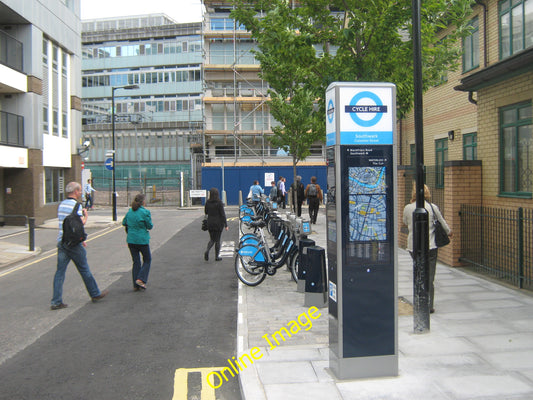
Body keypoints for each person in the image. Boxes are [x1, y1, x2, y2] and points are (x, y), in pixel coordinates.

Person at [51, 181, 108, 310]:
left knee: (60, 272)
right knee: (84, 269)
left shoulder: (61, 205)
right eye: (80, 190)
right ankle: (95, 293)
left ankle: (56, 301)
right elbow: (79, 225)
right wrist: (86, 216)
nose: (81, 192)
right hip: (74, 245)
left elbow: (66, 226)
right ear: (76, 191)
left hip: (62, 242)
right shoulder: (76, 206)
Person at [402, 184, 452, 314]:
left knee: (418, 272)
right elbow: (442, 223)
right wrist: (449, 232)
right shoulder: (432, 207)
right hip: (430, 245)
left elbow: (405, 222)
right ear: (427, 193)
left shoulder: (408, 208)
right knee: (429, 276)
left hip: (414, 246)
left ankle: (419, 300)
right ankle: (429, 304)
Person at [122, 193, 153, 291]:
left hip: (131, 240)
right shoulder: (145, 212)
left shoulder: (130, 212)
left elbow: (124, 222)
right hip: (142, 240)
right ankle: (141, 279)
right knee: (147, 259)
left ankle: (135, 285)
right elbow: (150, 226)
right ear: (143, 202)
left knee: (136, 261)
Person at [204, 187, 228, 261]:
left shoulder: (207, 202)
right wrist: (226, 225)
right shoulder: (219, 202)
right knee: (217, 240)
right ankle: (216, 257)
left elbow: (206, 212)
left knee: (212, 239)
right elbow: (223, 214)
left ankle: (207, 250)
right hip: (218, 223)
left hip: (210, 222)